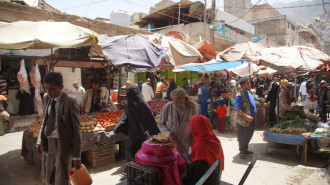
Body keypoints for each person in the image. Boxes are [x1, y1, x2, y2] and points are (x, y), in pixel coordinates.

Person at [36, 72, 81, 185]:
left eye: (51, 89)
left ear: (61, 87)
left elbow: (77, 130)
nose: (48, 92)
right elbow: (45, 121)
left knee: (61, 176)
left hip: (63, 143)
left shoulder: (71, 102)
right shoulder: (47, 98)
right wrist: (40, 140)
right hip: (50, 141)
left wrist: (76, 155)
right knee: (51, 174)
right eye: (46, 88)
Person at [114, 86, 160, 178]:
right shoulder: (136, 104)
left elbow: (148, 119)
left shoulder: (138, 105)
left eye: (129, 93)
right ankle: (132, 170)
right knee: (132, 150)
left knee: (132, 150)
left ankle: (132, 171)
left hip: (139, 134)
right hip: (136, 133)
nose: (127, 95)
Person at [184, 114, 224, 185]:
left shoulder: (200, 144)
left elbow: (196, 173)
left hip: (206, 181)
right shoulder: (213, 138)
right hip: (214, 176)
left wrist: (187, 161)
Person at [158, 88, 197, 155]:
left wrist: (193, 139)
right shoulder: (167, 107)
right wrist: (169, 133)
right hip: (170, 144)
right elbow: (161, 124)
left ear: (185, 99)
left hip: (185, 143)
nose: (179, 104)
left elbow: (195, 125)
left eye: (181, 102)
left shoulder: (192, 108)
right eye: (176, 102)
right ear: (172, 100)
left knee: (183, 162)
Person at [235, 77, 257, 159]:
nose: (250, 84)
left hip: (251, 119)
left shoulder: (248, 92)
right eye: (248, 83)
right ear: (243, 85)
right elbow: (238, 109)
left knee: (249, 134)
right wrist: (246, 116)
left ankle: (246, 149)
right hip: (243, 121)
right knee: (242, 136)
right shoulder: (239, 95)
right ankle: (241, 151)